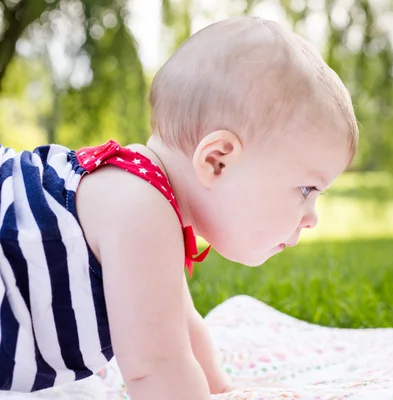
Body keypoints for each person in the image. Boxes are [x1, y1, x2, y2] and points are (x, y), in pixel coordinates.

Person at [0, 16, 358, 400]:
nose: (312, 217)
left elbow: (180, 329)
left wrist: (221, 389)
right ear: (217, 161)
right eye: (306, 188)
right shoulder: (140, 209)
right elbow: (156, 366)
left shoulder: (150, 202)